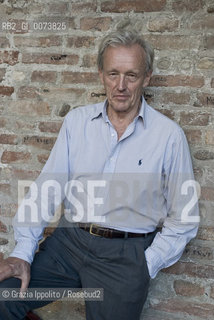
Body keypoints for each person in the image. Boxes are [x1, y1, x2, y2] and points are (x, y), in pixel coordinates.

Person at [0, 29, 199, 320]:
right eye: (113, 73)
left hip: (125, 255)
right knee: (4, 298)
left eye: (131, 75)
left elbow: (185, 217)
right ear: (100, 74)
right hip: (68, 244)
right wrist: (23, 251)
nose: (121, 85)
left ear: (147, 77)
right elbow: (47, 189)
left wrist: (145, 263)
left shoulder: (169, 136)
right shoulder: (77, 122)